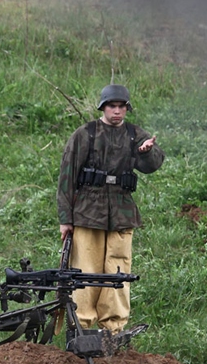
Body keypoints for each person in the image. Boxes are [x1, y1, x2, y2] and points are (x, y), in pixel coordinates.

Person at [56, 84, 165, 332]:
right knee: (84, 271)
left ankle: (113, 330)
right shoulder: (85, 134)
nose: (116, 111)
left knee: (118, 272)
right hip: (87, 212)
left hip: (121, 212)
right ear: (103, 107)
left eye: (121, 107)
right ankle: (80, 326)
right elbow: (66, 177)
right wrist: (65, 218)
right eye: (111, 106)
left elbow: (154, 163)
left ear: (127, 109)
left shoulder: (134, 134)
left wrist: (146, 152)